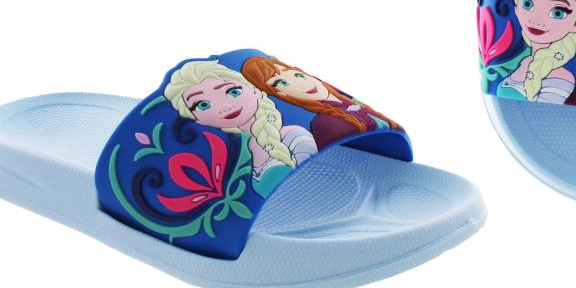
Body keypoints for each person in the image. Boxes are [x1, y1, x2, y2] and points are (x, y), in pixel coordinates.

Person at [165, 60, 317, 196]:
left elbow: (310, 185)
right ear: (197, 119)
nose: (225, 106)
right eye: (203, 105)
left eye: (233, 92)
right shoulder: (240, 154)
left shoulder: (295, 137)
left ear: (255, 90)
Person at [241, 56, 401, 151]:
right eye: (282, 83)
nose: (301, 84)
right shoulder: (323, 122)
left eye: (298, 75)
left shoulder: (345, 110)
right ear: (278, 94)